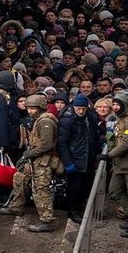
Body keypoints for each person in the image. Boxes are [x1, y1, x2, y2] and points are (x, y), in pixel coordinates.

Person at [0, 93, 59, 232]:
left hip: (43, 161)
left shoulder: (46, 121)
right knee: (19, 178)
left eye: (33, 108)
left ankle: (47, 220)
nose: (30, 111)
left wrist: (28, 155)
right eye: (28, 108)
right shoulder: (37, 119)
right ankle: (16, 207)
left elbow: (47, 145)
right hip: (35, 159)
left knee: (41, 189)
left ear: (40, 107)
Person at [100, 92, 128, 238]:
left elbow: (127, 143)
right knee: (114, 191)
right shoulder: (123, 118)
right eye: (113, 104)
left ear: (125, 104)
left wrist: (109, 155)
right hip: (121, 163)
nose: (114, 107)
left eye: (117, 104)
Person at [57, 94, 98, 223]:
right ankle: (72, 211)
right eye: (78, 108)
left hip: (87, 157)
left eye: (83, 109)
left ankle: (80, 207)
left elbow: (93, 135)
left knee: (85, 185)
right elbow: (62, 143)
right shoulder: (67, 120)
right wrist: (68, 162)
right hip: (75, 157)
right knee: (75, 187)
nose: (80, 111)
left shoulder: (90, 116)